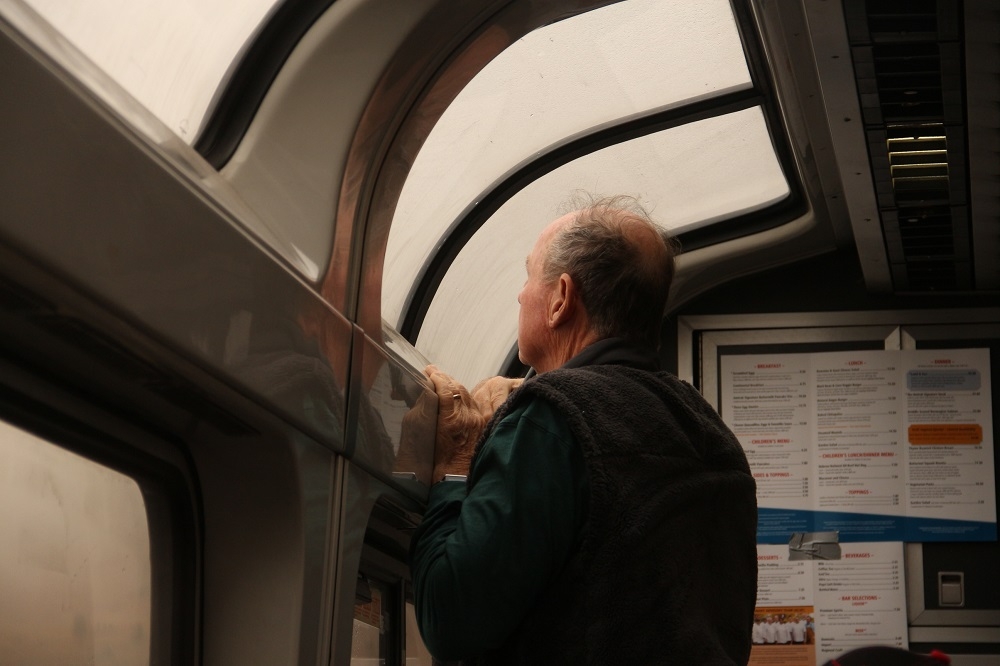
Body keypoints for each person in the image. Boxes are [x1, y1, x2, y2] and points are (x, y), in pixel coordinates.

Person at [409, 195, 759, 664]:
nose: (520, 294)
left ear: (561, 300)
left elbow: (453, 621)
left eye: (530, 275)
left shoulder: (550, 419)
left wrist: (457, 461)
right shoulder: (709, 431)